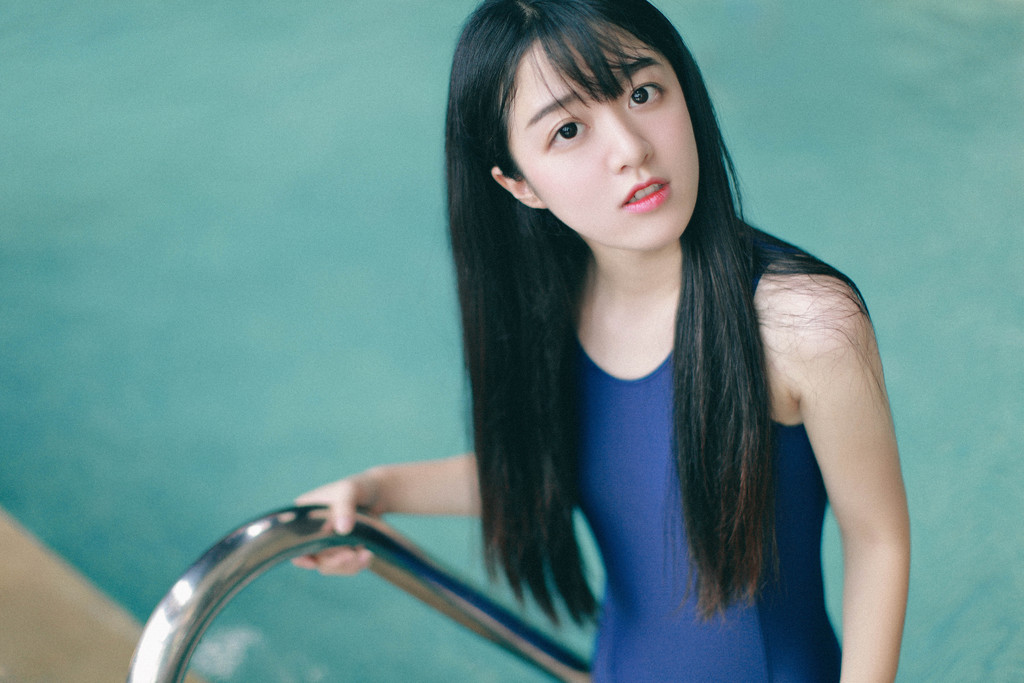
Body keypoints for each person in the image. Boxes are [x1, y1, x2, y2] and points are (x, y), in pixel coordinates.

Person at [293, 0, 910, 680]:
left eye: (642, 92)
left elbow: (877, 540)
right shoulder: (555, 308)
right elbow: (568, 467)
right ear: (519, 184)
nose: (631, 148)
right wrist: (378, 489)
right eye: (568, 130)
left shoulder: (804, 324)